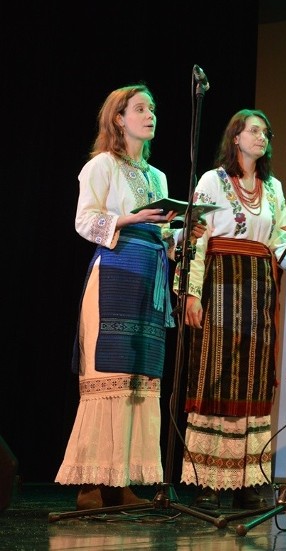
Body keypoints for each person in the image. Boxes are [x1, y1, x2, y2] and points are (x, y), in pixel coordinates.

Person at [56, 84, 187, 510]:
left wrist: (179, 234)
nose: (150, 115)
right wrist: (131, 218)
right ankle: (92, 484)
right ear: (119, 118)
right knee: (107, 380)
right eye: (141, 108)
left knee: (139, 383)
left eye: (152, 108)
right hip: (114, 275)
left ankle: (124, 481)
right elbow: (84, 221)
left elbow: (163, 234)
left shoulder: (157, 176)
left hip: (149, 279)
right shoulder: (101, 165)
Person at [179, 109, 286, 511]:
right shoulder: (212, 181)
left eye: (265, 132)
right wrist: (191, 292)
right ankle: (208, 479)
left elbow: (280, 239)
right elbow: (198, 239)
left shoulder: (273, 187)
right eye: (253, 131)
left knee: (252, 379)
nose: (261, 137)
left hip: (258, 289)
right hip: (221, 285)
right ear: (235, 137)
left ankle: (246, 481)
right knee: (215, 374)